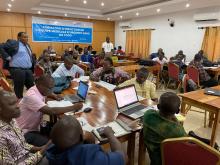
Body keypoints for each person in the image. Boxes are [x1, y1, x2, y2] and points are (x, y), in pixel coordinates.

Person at [16, 75, 83, 147]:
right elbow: (51, 111)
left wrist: (54, 95)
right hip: (24, 132)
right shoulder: (31, 96)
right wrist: (73, 107)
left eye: (53, 88)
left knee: (57, 132)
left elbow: (48, 92)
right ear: (40, 85)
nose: (52, 90)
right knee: (54, 146)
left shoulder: (38, 89)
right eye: (50, 88)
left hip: (34, 127)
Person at [46, 115, 126, 165]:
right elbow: (122, 158)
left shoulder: (53, 153)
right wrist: (110, 134)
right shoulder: (88, 158)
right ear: (81, 136)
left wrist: (88, 136)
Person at [0, 89, 51, 164]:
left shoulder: (11, 119)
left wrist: (40, 148)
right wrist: (42, 152)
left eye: (17, 102)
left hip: (27, 157)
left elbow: (22, 146)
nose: (18, 106)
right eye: (11, 104)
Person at [143, 92, 187, 165]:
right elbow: (186, 143)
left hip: (154, 158)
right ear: (177, 111)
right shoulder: (177, 131)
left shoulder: (148, 115)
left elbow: (155, 112)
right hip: (166, 161)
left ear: (158, 106)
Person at [0, 32, 34, 99]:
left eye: (27, 37)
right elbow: (1, 46)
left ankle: (33, 100)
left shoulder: (27, 45)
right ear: (19, 38)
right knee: (19, 87)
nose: (26, 38)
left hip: (28, 69)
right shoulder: (14, 43)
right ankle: (19, 103)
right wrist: (6, 56)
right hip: (17, 69)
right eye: (24, 37)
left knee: (32, 86)